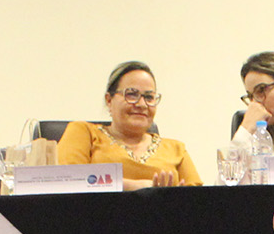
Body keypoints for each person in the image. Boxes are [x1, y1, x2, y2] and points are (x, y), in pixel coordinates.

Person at [55, 62, 203, 189]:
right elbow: (67, 180)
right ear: (109, 100)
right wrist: (134, 187)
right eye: (131, 94)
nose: (142, 104)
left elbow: (199, 199)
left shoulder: (176, 149)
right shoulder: (84, 132)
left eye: (149, 97)